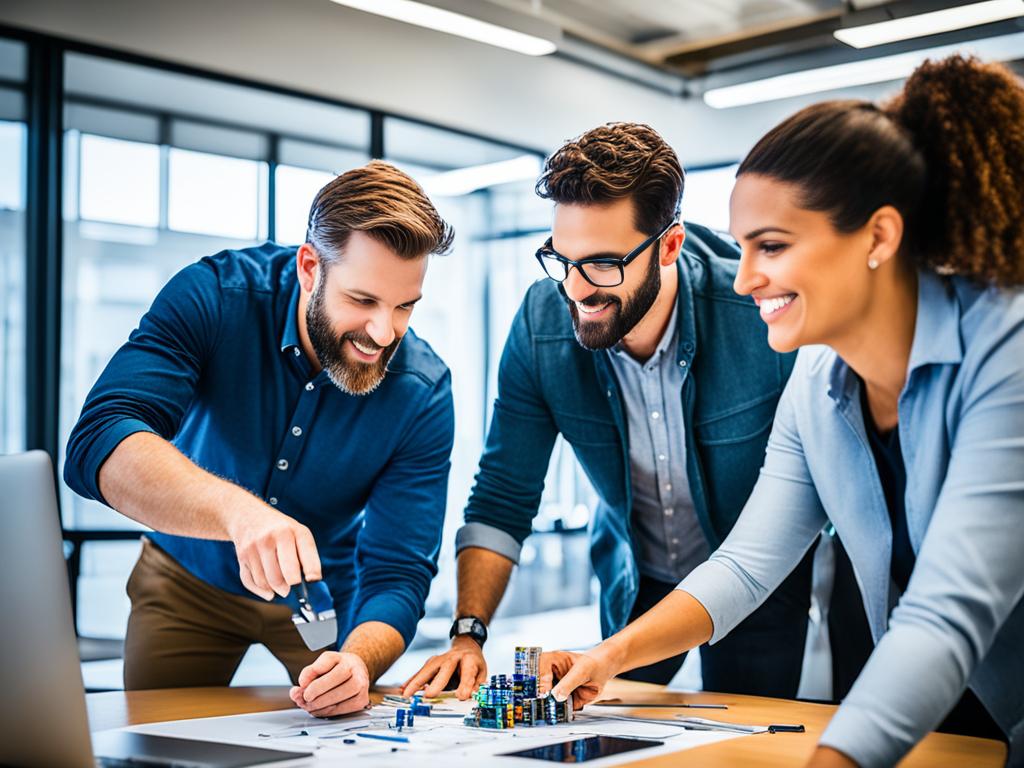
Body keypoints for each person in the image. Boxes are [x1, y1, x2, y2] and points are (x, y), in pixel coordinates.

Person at [543, 55, 1024, 768]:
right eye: (741, 249)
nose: (744, 279)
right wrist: (610, 656)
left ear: (878, 237)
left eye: (772, 246)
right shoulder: (820, 381)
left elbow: (947, 610)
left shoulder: (1007, 350)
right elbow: (745, 564)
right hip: (954, 717)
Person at [404, 123, 818, 701]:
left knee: (746, 743)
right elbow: (503, 493)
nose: (576, 289)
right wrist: (469, 632)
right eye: (562, 260)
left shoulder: (759, 316)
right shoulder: (542, 323)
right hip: (635, 579)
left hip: (757, 583)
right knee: (616, 733)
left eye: (602, 263)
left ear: (668, 246)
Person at [64, 161, 455, 718]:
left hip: (325, 596)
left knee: (345, 743)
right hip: (187, 581)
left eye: (404, 307)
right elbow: (99, 440)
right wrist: (236, 514)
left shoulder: (424, 390)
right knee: (155, 743)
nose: (383, 332)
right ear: (309, 268)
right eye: (363, 300)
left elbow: (398, 569)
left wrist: (360, 663)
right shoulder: (215, 296)